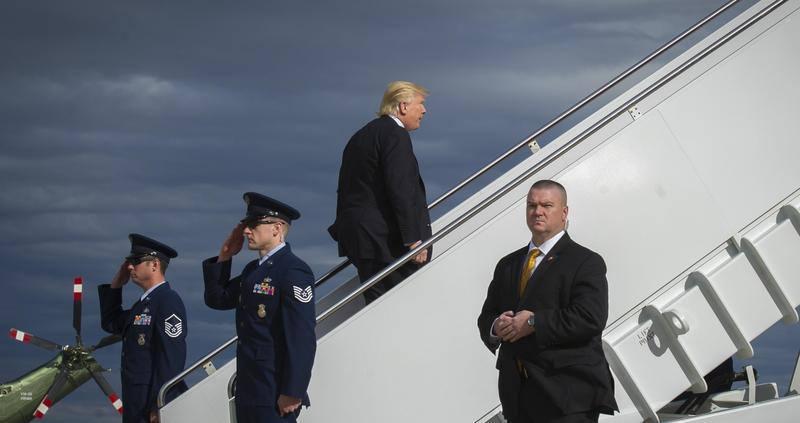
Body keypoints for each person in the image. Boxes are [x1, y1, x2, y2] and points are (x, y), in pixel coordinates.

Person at [477, 180, 618, 423]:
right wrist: (496, 326)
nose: (537, 211)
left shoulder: (586, 261)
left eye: (546, 205)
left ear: (564, 212)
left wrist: (533, 322)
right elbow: (486, 317)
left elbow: (590, 318)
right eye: (531, 205)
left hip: (568, 395)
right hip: (517, 396)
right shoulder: (507, 265)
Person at [203, 192, 316, 423]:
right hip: (250, 390)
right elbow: (218, 299)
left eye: (254, 224)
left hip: (274, 391)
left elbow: (302, 336)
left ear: (276, 228)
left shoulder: (293, 270)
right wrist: (225, 256)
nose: (246, 231)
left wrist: (293, 391)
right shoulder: (253, 270)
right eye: (246, 224)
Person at [328, 80, 432, 304]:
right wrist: (414, 239)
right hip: (386, 243)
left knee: (376, 307)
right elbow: (400, 188)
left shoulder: (361, 136)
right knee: (400, 309)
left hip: (362, 240)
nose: (424, 110)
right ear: (403, 106)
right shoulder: (395, 135)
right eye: (420, 104)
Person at [98, 234, 188, 423]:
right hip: (136, 404)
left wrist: (160, 404)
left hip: (150, 405)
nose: (130, 266)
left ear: (155, 265)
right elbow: (111, 322)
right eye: (129, 262)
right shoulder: (144, 304)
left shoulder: (167, 300)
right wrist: (116, 285)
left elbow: (171, 357)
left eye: (136, 261)